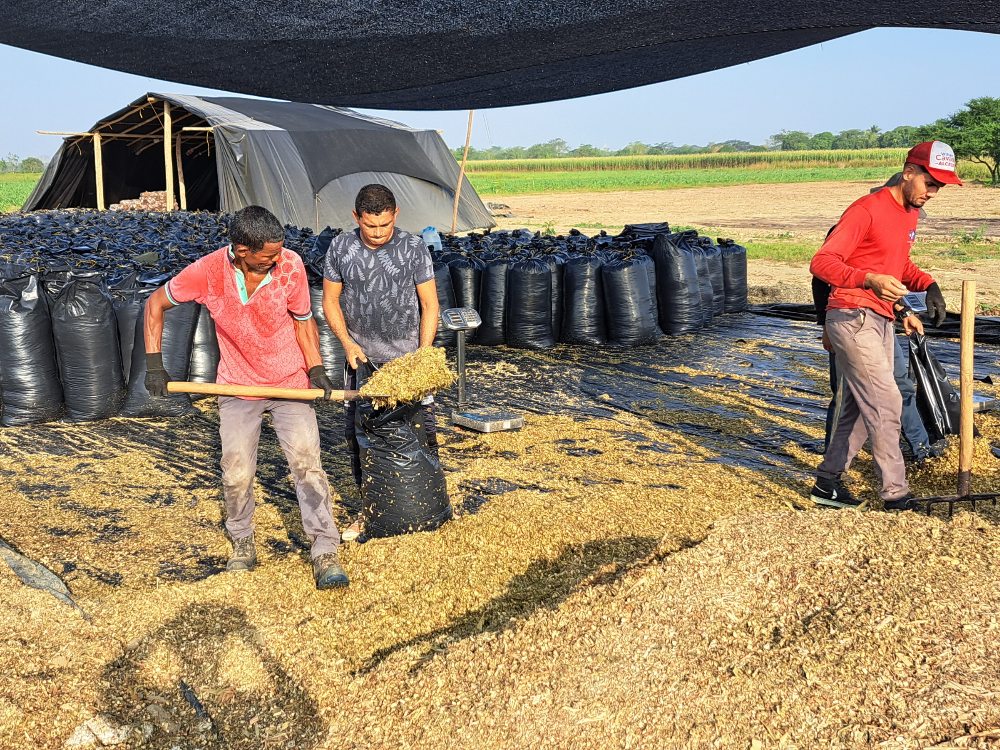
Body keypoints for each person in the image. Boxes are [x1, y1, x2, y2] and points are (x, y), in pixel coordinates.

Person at [143, 205, 349, 589]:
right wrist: (154, 363)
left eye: (279, 252)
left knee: (307, 464)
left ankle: (324, 550)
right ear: (241, 249)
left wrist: (315, 368)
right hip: (237, 384)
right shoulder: (207, 272)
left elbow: (304, 320)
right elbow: (155, 303)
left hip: (288, 382)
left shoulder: (291, 266)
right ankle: (241, 543)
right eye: (268, 255)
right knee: (236, 470)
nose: (277, 260)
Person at [808, 141, 960, 511]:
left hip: (880, 317)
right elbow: (822, 263)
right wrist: (867, 279)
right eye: (930, 182)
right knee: (888, 400)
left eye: (939, 186)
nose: (933, 192)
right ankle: (896, 494)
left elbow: (897, 264)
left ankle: (827, 484)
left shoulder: (909, 213)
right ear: (909, 172)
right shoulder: (866, 210)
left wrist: (926, 286)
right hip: (852, 315)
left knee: (861, 407)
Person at [321, 184, 441, 541]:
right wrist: (347, 343)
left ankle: (426, 503)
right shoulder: (341, 247)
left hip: (406, 360)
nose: (376, 234)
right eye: (370, 226)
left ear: (396, 215)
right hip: (363, 361)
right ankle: (370, 510)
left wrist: (423, 354)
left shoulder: (413, 248)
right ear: (357, 217)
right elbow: (330, 301)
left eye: (384, 226)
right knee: (362, 439)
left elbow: (430, 305)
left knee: (423, 434)